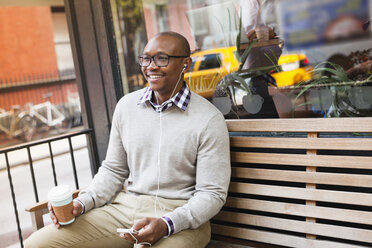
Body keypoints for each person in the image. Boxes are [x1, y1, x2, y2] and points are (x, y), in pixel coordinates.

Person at [24, 31, 231, 248]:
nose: (151, 66)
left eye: (162, 59)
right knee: (38, 244)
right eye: (146, 58)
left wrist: (167, 223)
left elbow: (212, 194)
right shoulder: (127, 106)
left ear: (185, 64)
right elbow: (113, 170)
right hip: (125, 210)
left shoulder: (208, 119)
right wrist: (81, 203)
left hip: (180, 219)